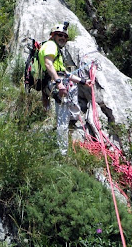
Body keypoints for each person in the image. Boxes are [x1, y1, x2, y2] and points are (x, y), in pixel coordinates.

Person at [38, 23, 93, 155]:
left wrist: (83, 81)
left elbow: (64, 73)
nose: (63, 38)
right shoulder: (51, 46)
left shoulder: (56, 49)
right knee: (62, 119)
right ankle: (62, 153)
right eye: (60, 35)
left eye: (65, 36)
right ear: (53, 35)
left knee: (72, 97)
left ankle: (73, 118)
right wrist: (59, 83)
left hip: (59, 81)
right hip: (57, 84)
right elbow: (48, 64)